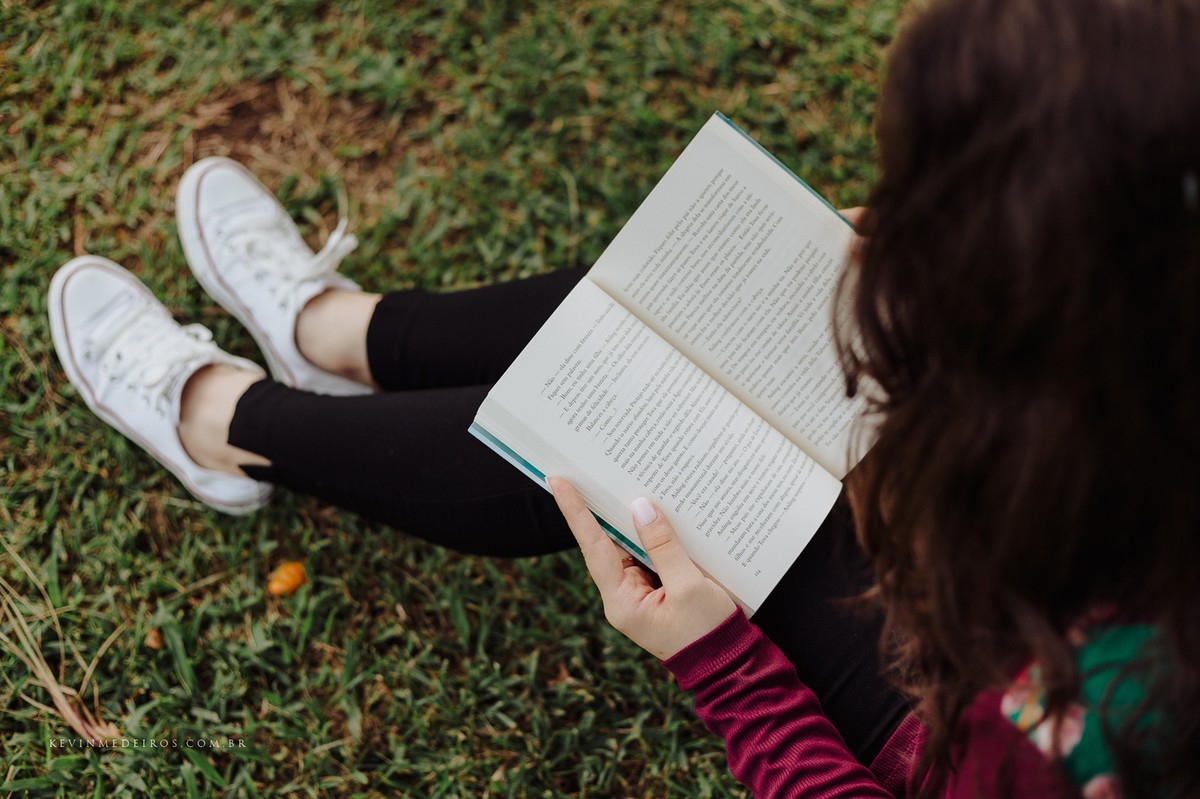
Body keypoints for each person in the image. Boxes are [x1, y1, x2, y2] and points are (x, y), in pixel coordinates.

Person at [49, 0, 1200, 796]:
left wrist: (727, 669)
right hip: (1036, 544)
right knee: (672, 316)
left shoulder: (1115, 729)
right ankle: (336, 337)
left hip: (947, 711)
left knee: (619, 443)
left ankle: (230, 423)